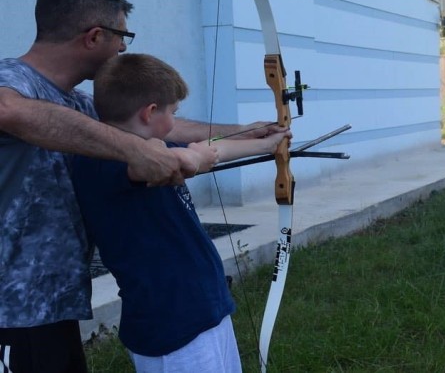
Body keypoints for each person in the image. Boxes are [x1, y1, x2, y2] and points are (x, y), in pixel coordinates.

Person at [0, 0, 283, 373]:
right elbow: (8, 111)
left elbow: (157, 127)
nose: (123, 48)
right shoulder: (12, 81)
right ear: (94, 36)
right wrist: (135, 149)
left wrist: (241, 132)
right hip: (10, 308)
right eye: (122, 36)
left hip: (51, 301)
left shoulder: (80, 104)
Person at [71, 53, 290, 372]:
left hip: (203, 310)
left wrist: (267, 142)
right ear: (150, 113)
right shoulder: (103, 160)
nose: (175, 121)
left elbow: (213, 150)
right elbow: (184, 160)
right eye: (173, 112)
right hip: (171, 325)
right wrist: (196, 156)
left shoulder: (151, 147)